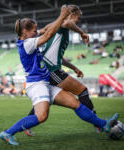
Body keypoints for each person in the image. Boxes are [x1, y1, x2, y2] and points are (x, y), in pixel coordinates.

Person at [0, 5, 119, 146]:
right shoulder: (27, 43)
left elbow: (47, 30)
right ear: (25, 32)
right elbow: (48, 34)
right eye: (34, 30)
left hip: (45, 83)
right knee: (42, 116)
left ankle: (104, 125)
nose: (38, 32)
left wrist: (57, 22)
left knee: (75, 103)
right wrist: (62, 15)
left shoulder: (30, 39)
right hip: (36, 84)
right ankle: (7, 133)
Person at [25, 5, 101, 135]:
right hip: (52, 70)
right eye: (79, 18)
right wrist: (82, 33)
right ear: (71, 15)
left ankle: (26, 125)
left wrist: (74, 67)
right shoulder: (63, 24)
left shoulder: (56, 26)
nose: (79, 21)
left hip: (50, 69)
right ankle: (98, 123)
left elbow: (59, 56)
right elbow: (68, 22)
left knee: (46, 99)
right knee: (82, 91)